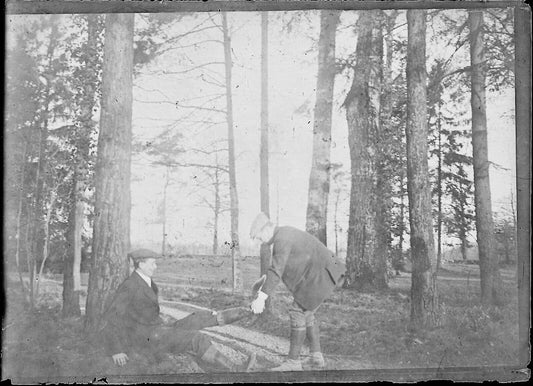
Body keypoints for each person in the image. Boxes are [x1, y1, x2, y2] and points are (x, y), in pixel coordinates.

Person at [101, 248, 256, 372]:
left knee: (198, 317)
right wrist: (117, 350)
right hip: (145, 339)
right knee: (197, 338)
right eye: (152, 263)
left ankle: (246, 311)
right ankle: (236, 370)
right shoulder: (130, 285)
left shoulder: (146, 282)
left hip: (156, 331)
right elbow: (112, 317)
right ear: (141, 264)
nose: (155, 267)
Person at [249, 213, 346, 371]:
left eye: (259, 237)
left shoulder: (282, 238)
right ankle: (316, 357)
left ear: (267, 228)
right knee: (306, 312)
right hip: (326, 271)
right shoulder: (284, 234)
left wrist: (261, 298)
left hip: (322, 273)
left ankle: (293, 362)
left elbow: (276, 270)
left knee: (297, 311)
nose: (261, 242)